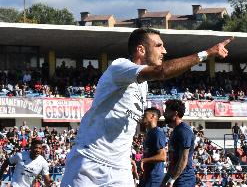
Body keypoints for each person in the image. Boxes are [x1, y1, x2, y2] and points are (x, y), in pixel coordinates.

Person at [60, 28, 233, 187]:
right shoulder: (120, 67)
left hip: (120, 170)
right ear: (141, 50)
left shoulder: (142, 86)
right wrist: (208, 53)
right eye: (159, 45)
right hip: (89, 163)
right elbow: (161, 72)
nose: (164, 51)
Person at [161, 99, 195, 187]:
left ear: (175, 113)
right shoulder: (175, 131)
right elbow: (173, 162)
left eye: (167, 111)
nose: (164, 114)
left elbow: (184, 159)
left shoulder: (184, 131)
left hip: (184, 180)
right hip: (176, 179)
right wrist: (165, 181)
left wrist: (171, 180)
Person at [140, 107, 167, 187]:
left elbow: (162, 156)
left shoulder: (157, 133)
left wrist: (144, 160)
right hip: (147, 177)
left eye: (145, 115)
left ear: (152, 116)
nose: (142, 117)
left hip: (154, 179)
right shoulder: (149, 133)